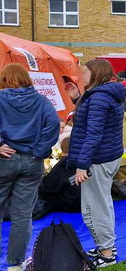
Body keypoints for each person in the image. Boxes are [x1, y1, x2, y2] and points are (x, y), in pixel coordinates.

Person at [0, 63, 61, 271]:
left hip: (5, 161)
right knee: (22, 215)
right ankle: (15, 264)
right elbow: (53, 124)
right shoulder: (41, 101)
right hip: (31, 162)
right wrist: (39, 150)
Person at [66, 59, 126, 268]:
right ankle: (107, 246)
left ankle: (106, 253)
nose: (80, 76)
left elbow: (93, 134)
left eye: (83, 72)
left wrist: (83, 165)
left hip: (97, 160)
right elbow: (91, 119)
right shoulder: (102, 94)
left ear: (96, 74)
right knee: (103, 203)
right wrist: (76, 99)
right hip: (106, 157)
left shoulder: (99, 97)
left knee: (93, 208)